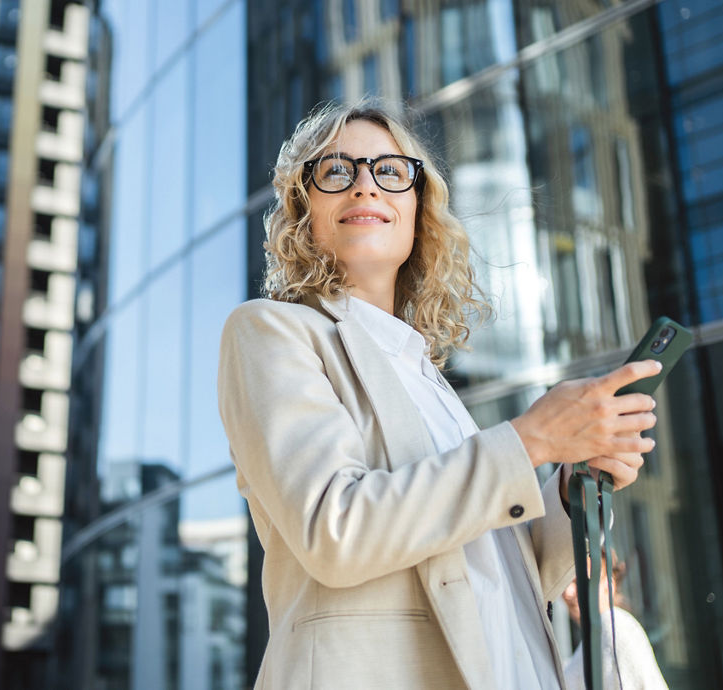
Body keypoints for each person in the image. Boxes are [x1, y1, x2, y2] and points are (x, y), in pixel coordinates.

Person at [217, 99, 662, 689]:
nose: (364, 187)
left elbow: (497, 563)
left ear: (417, 207)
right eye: (335, 171)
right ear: (304, 208)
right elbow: (336, 528)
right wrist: (531, 440)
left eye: (391, 171)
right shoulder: (271, 332)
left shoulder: (425, 377)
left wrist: (569, 475)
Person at [562, 556, 669, 690]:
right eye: (564, 583)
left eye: (580, 582)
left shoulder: (613, 627)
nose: (567, 592)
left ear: (608, 585)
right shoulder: (597, 635)